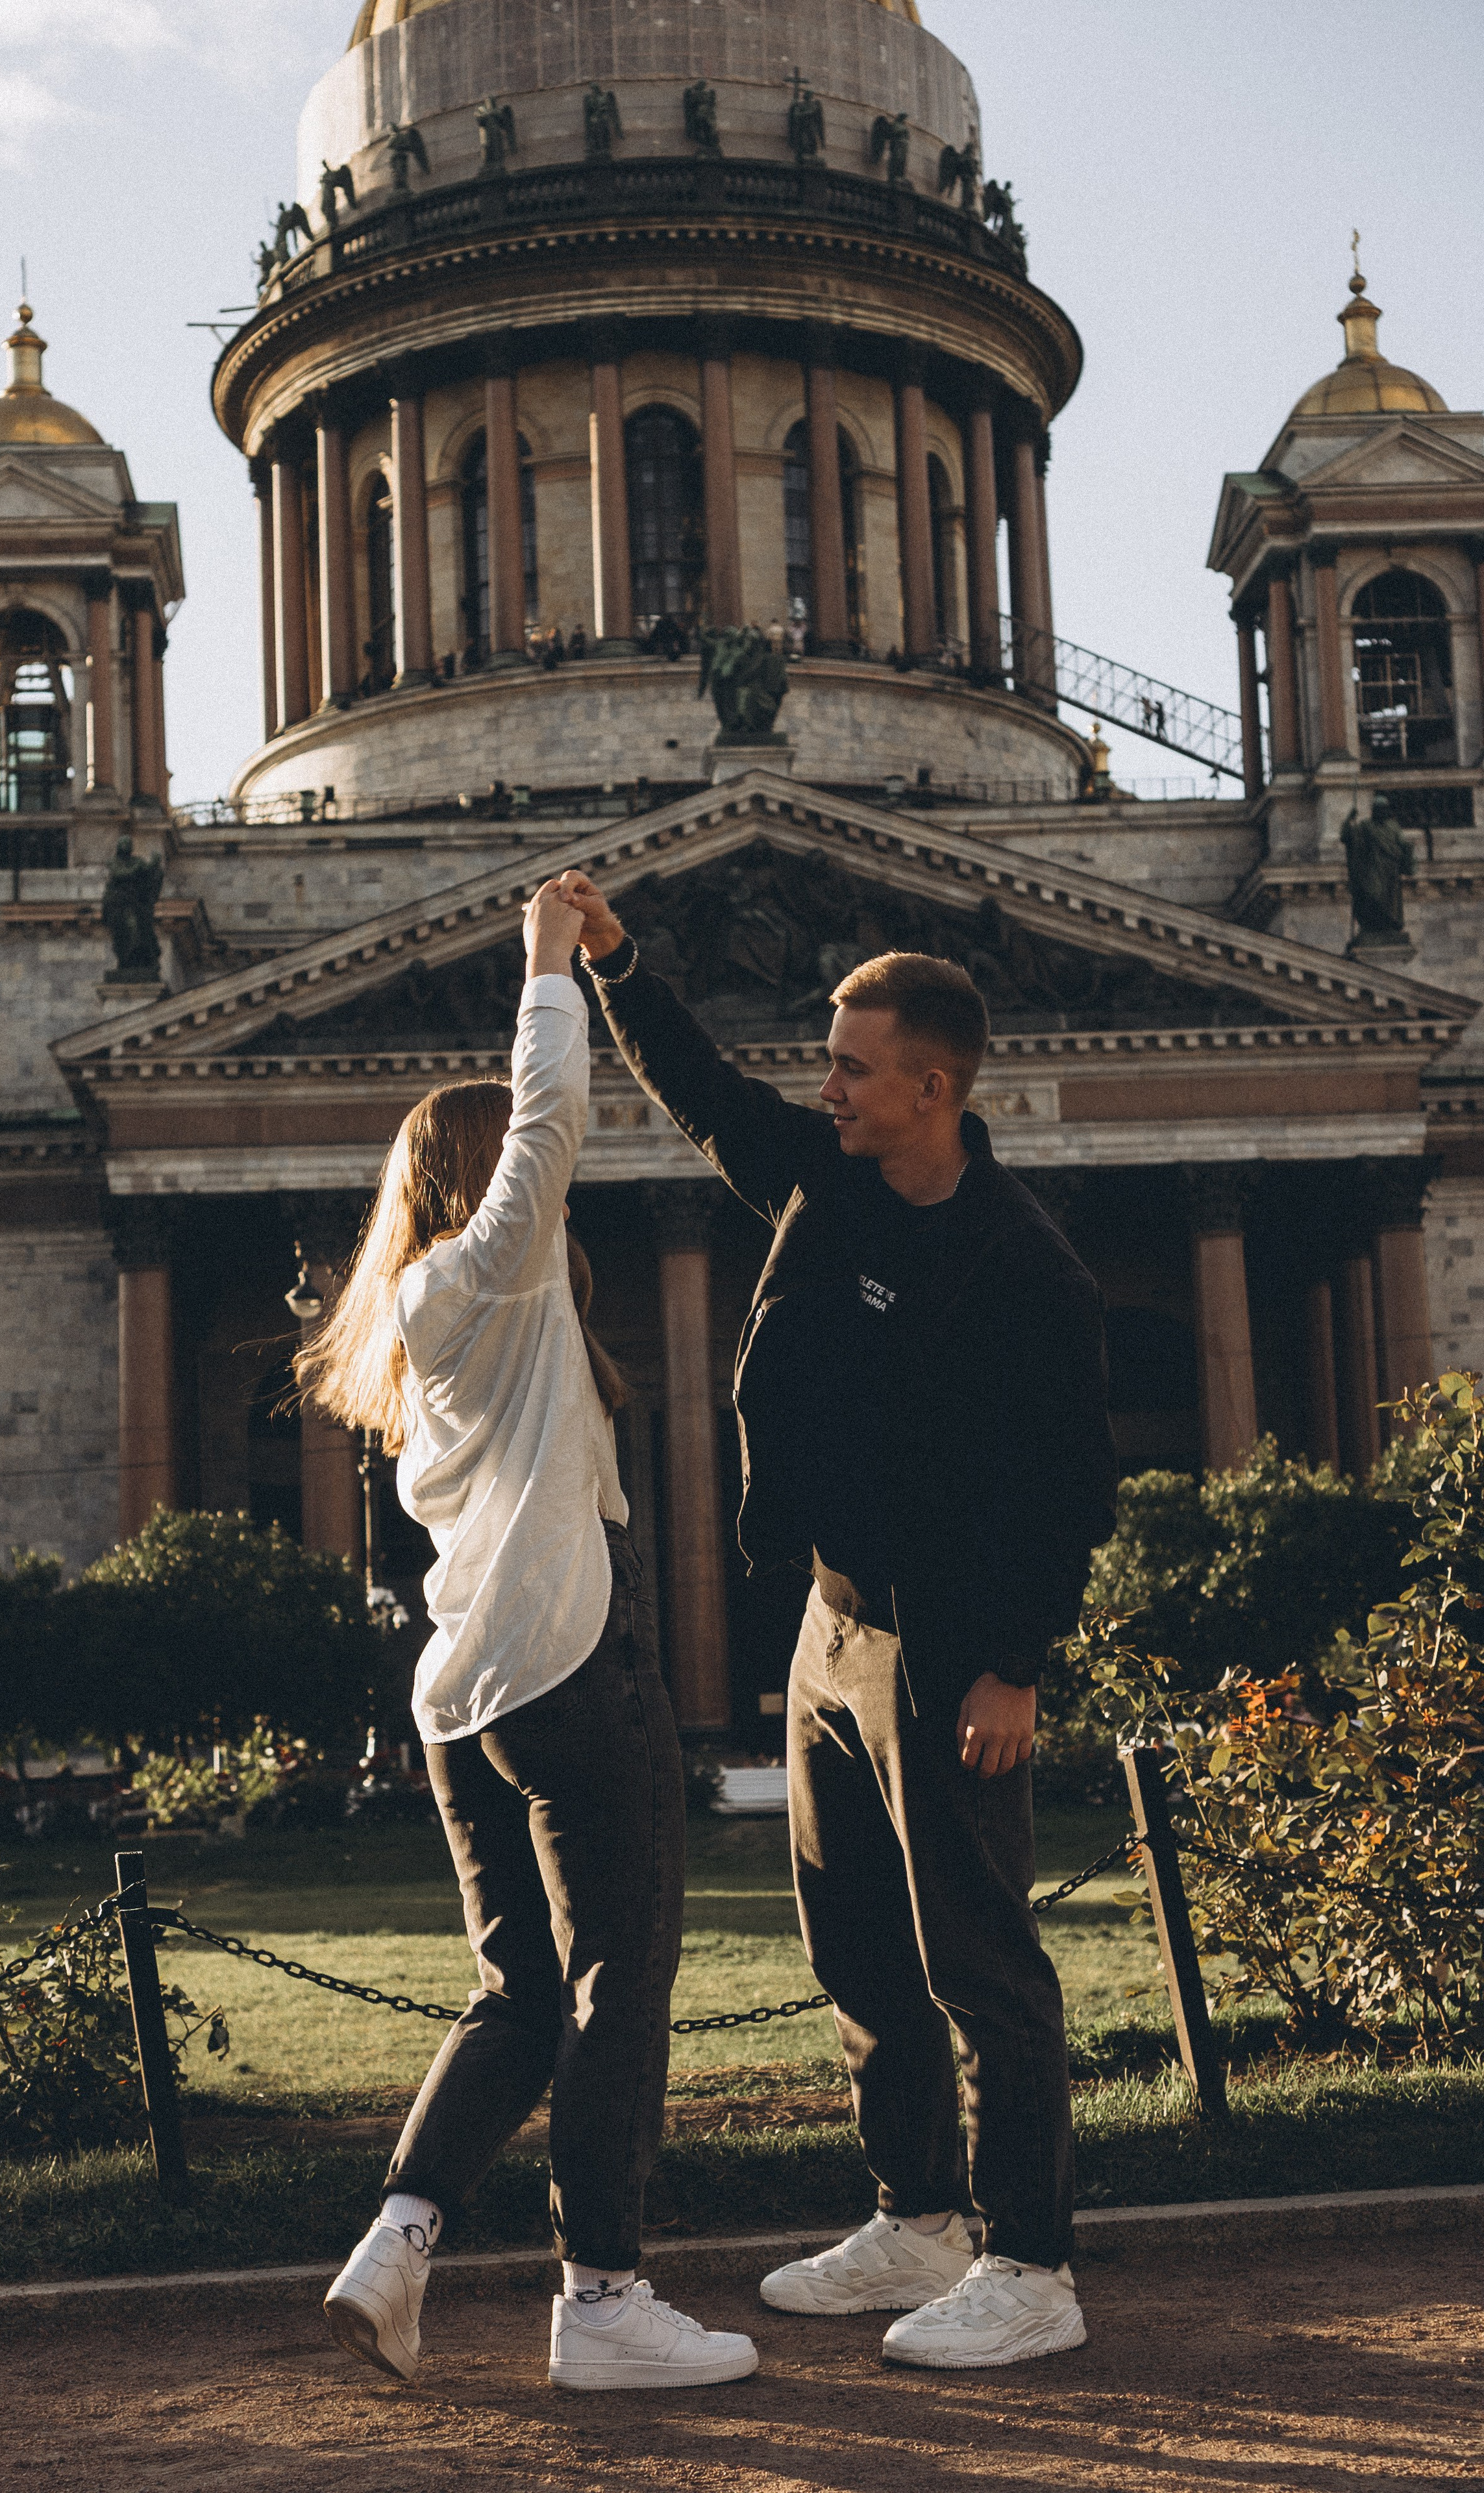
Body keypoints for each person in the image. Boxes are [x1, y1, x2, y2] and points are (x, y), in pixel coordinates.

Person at [558, 871, 1117, 2372]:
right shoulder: (826, 1178)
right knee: (856, 1948)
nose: (827, 1088)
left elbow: (1069, 1489)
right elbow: (703, 1095)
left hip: (950, 1652)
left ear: (932, 1089)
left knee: (979, 1964)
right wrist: (616, 965)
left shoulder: (1025, 1266)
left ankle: (1029, 2264)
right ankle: (916, 2220)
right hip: (833, 1627)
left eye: (853, 1069)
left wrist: (1012, 1667)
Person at [300, 880, 757, 2396]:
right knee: (621, 1979)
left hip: (462, 1692)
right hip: (570, 1659)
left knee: (516, 1993)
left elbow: (539, 1150)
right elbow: (551, 1125)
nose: (546, 1189)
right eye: (514, 1171)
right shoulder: (488, 1271)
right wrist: (549, 970)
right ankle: (602, 2300)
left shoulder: (425, 1311)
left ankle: (394, 2248)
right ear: (481, 1180)